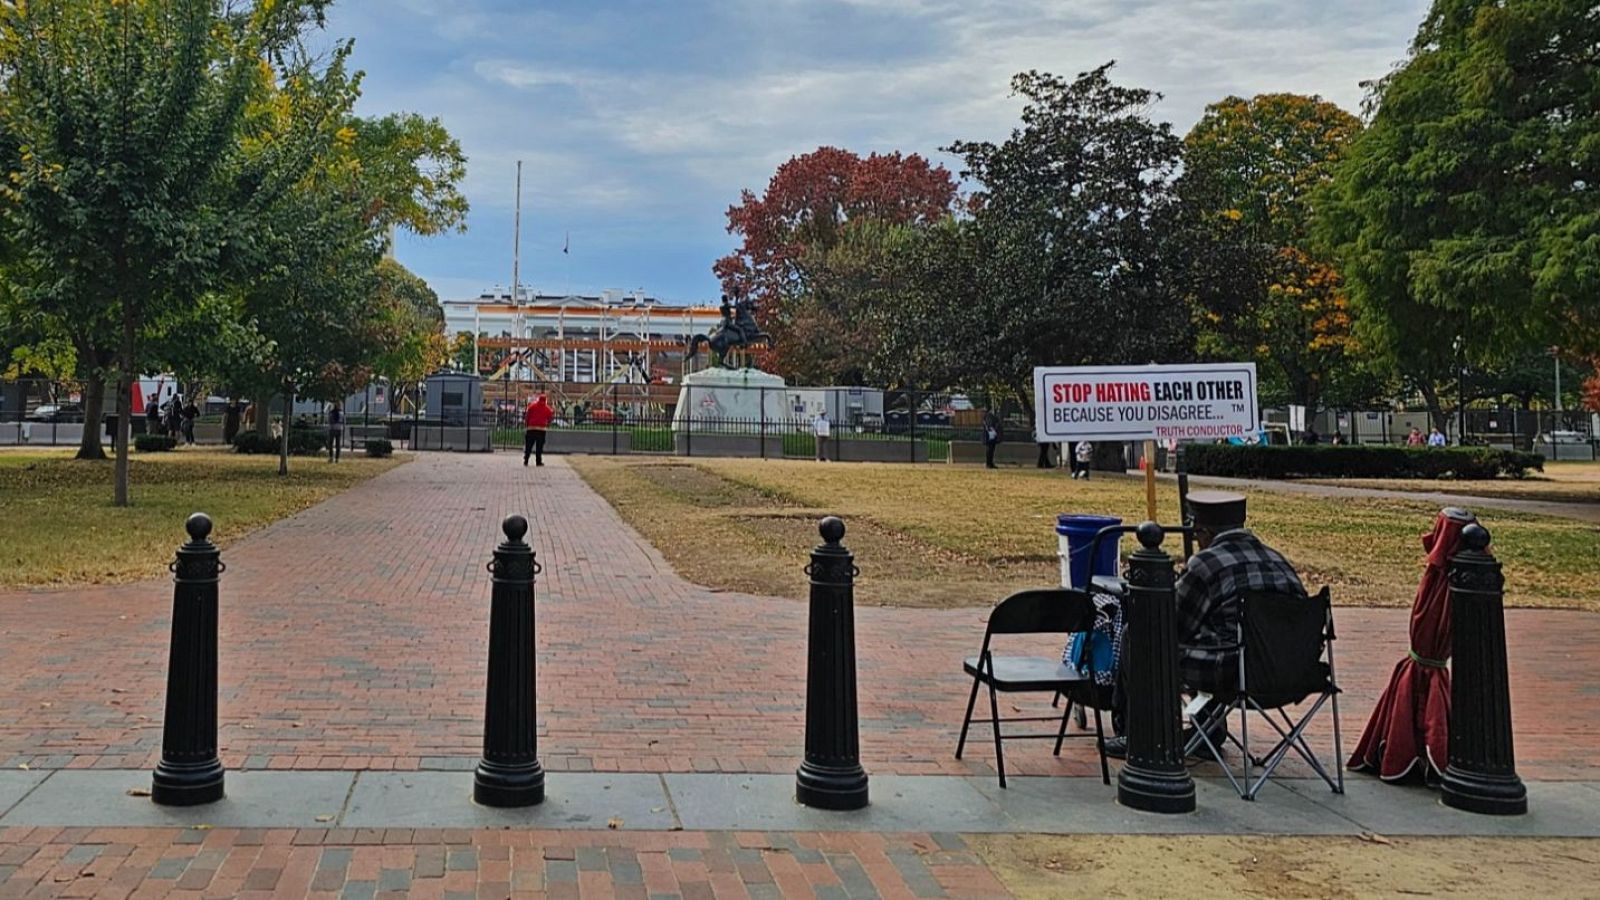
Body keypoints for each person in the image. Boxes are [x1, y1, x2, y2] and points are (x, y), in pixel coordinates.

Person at [1103, 491, 1308, 759]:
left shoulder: (1207, 563)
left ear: (1202, 531)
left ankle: (1139, 735)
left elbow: (1172, 627)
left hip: (1235, 675)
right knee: (1219, 639)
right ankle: (1207, 731)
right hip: (1295, 673)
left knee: (1141, 635)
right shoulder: (1278, 561)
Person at [523, 393, 554, 466]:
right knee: (539, 446)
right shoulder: (548, 409)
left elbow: (527, 416)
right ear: (545, 400)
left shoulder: (532, 406)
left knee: (529, 445)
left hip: (531, 428)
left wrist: (526, 424)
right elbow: (550, 418)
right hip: (541, 429)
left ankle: (526, 459)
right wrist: (547, 425)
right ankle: (538, 461)